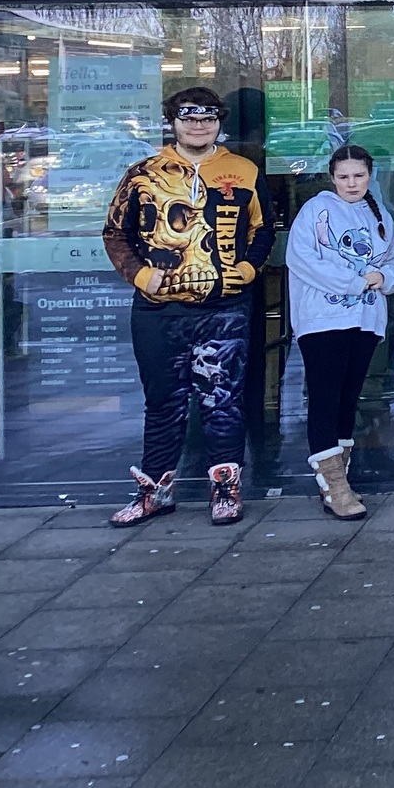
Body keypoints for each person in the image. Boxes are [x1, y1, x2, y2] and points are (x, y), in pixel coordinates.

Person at [103, 86, 274, 528]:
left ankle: (226, 491)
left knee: (224, 400)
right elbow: (115, 233)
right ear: (173, 122)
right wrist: (140, 275)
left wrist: (249, 269)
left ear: (220, 122)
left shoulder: (244, 171)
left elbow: (263, 229)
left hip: (225, 309)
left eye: (208, 118)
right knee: (163, 402)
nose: (199, 126)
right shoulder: (143, 174)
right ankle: (154, 493)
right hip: (158, 310)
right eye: (189, 118)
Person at [287, 144, 394, 521]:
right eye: (344, 176)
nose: (352, 183)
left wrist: (383, 277)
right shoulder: (314, 210)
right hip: (323, 320)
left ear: (370, 175)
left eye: (359, 175)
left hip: (366, 320)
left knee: (348, 398)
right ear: (332, 177)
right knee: (325, 398)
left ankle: (341, 478)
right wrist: (357, 281)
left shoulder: (381, 215)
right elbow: (303, 260)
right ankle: (333, 485)